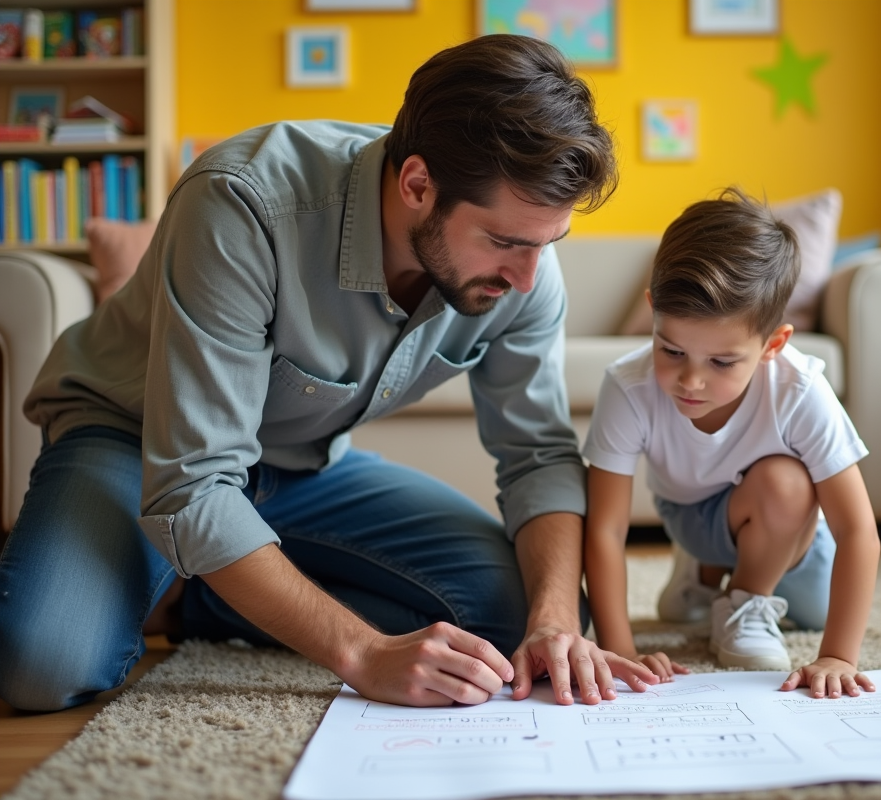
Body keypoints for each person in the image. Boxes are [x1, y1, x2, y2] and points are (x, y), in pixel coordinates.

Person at [0, 34, 659, 713]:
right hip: (136, 444)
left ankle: (195, 590)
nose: (527, 280)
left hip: (304, 467)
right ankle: (192, 565)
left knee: (511, 629)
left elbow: (539, 458)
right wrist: (362, 653)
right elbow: (194, 483)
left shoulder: (526, 270)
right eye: (504, 242)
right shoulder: (243, 204)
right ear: (417, 184)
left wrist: (552, 619)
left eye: (548, 243)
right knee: (42, 666)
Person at [583, 188, 880, 698]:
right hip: (692, 519)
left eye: (721, 362)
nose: (690, 381)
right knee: (773, 488)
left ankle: (741, 594)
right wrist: (621, 648)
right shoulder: (627, 385)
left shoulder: (799, 388)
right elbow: (605, 529)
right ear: (653, 314)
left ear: (773, 345)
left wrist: (836, 655)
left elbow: (858, 531)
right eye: (671, 350)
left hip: (797, 541)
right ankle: (706, 570)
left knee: (789, 501)